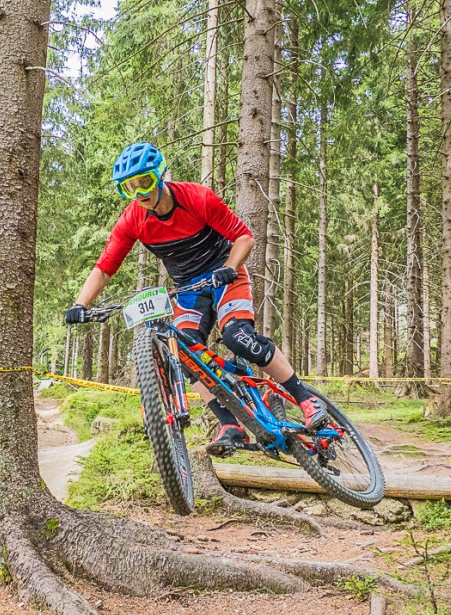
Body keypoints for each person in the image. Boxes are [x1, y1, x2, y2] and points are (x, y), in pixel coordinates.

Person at [64, 142, 328, 457]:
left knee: (238, 338)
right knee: (186, 352)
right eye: (129, 188)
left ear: (159, 176)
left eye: (145, 182)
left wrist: (229, 268)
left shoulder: (197, 197)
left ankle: (305, 397)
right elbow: (105, 266)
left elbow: (244, 237)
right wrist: (81, 304)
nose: (140, 193)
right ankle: (230, 424)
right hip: (189, 291)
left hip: (225, 279)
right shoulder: (133, 218)